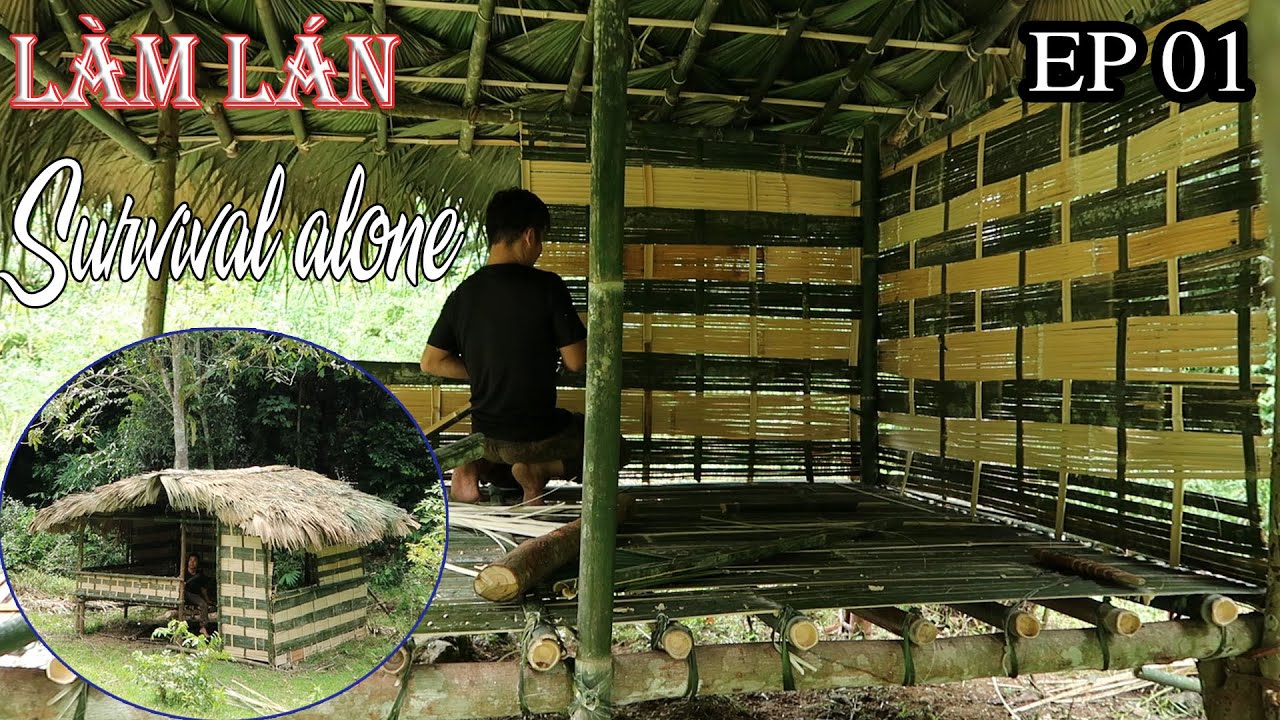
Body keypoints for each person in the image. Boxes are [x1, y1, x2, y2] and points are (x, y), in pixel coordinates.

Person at [423, 188, 613, 505]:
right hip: (536, 435)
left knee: (504, 463)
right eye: (541, 239)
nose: (540, 249)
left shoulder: (464, 294)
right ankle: (539, 472)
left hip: (486, 437)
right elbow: (576, 360)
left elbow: (431, 362)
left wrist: (487, 370)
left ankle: (470, 468)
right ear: (529, 235)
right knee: (612, 444)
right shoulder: (548, 287)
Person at [183, 553, 213, 635]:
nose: (192, 562)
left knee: (204, 605)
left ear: (198, 563)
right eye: (190, 560)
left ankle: (203, 627)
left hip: (195, 596)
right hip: (184, 594)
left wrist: (207, 600)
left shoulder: (200, 575)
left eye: (194, 560)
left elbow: (203, 589)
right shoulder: (183, 572)